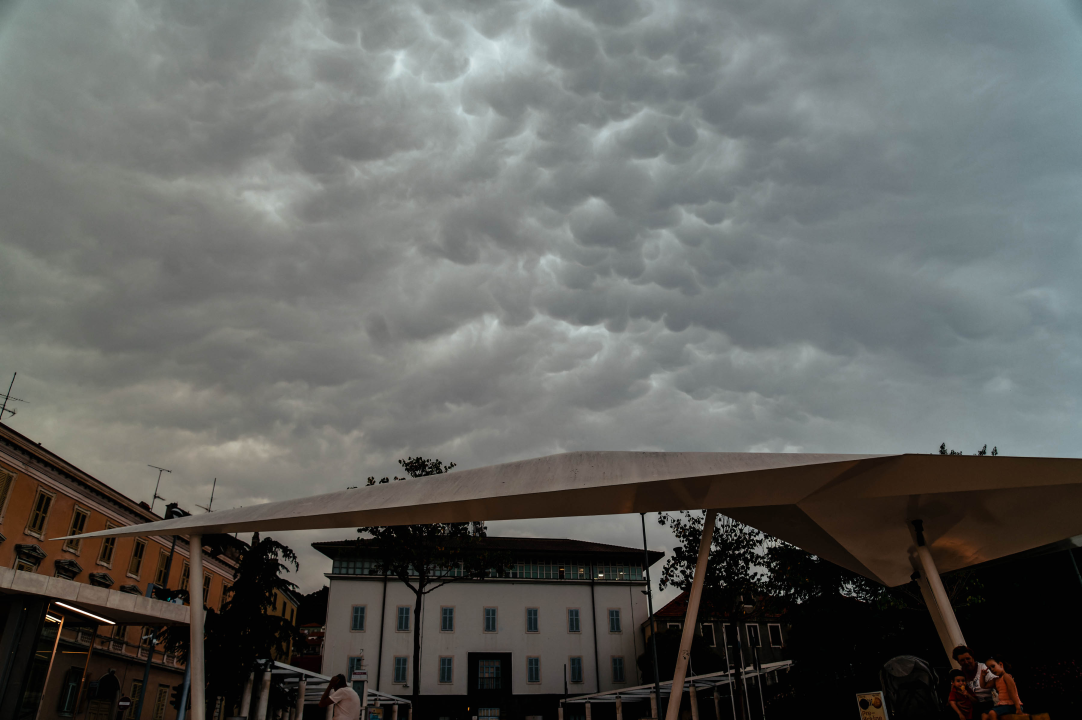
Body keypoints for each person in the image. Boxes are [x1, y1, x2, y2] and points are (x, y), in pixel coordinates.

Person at [952, 645, 996, 717]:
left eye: (968, 658)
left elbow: (997, 682)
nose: (966, 662)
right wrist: (956, 703)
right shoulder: (959, 674)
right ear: (958, 662)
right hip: (969, 705)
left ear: (972, 658)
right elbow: (953, 692)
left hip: (988, 703)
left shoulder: (984, 668)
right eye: (962, 660)